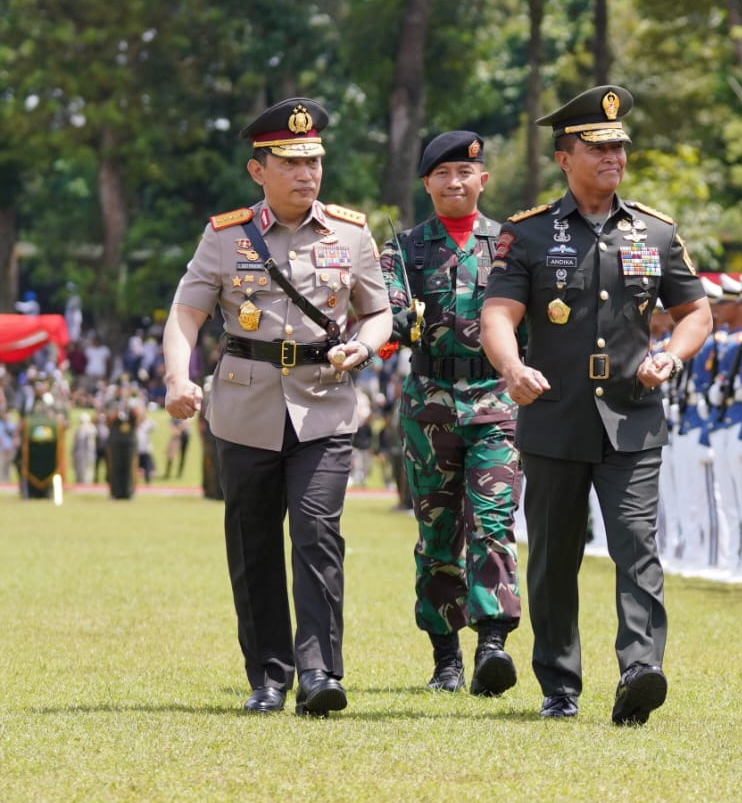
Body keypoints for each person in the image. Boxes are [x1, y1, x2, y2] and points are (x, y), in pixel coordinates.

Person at [481, 85, 710, 725]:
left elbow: (696, 311)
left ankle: (641, 670)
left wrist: (672, 354)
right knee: (555, 557)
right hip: (554, 419)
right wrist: (511, 366)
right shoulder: (526, 235)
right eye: (598, 146)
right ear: (565, 156)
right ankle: (560, 685)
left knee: (637, 543)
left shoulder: (655, 232)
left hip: (633, 418)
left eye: (619, 146)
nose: (613, 156)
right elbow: (498, 313)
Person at [163, 97, 391, 716]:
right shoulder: (224, 236)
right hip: (244, 405)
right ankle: (267, 676)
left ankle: (320, 674)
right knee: (253, 541)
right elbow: (185, 314)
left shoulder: (351, 231)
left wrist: (364, 348)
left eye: (313, 160)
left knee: (317, 534)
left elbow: (378, 310)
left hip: (325, 404)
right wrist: (177, 377)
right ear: (257, 170)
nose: (306, 173)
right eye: (290, 162)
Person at [381, 129, 524, 695]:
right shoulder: (406, 249)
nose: (454, 181)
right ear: (427, 184)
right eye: (442, 174)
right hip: (429, 406)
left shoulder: (512, 245)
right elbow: (390, 316)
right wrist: (377, 336)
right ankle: (446, 656)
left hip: (494, 402)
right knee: (438, 534)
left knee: (492, 524)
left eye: (464, 173)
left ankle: (492, 645)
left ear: (482, 179)